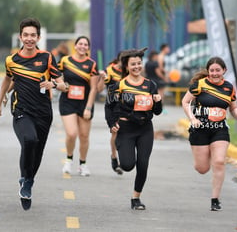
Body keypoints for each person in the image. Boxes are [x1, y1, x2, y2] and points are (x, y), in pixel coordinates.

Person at [0, 17, 68, 210]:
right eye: (25, 35)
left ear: (38, 37)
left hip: (43, 113)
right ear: (20, 37)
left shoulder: (47, 58)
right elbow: (8, 81)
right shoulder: (12, 60)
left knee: (37, 151)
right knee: (29, 140)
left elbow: (64, 85)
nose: (29, 38)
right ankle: (26, 182)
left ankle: (28, 180)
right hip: (21, 110)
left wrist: (53, 84)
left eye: (33, 35)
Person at [181, 56, 237, 211]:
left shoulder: (229, 87)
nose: (215, 73)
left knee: (218, 162)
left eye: (218, 70)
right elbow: (185, 102)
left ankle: (215, 199)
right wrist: (192, 118)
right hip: (200, 129)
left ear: (224, 70)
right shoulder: (200, 85)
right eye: (212, 70)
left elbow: (232, 107)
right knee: (202, 168)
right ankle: (206, 153)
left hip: (220, 129)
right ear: (208, 71)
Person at [105, 48, 162, 210]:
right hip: (126, 129)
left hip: (145, 128)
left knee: (143, 164)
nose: (137, 66)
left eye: (139, 63)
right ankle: (119, 153)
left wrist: (158, 101)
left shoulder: (151, 85)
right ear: (127, 66)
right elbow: (109, 106)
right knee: (128, 165)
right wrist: (112, 124)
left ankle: (136, 198)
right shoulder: (119, 86)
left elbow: (156, 111)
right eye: (133, 64)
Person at [59, 36, 100, 176]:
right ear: (75, 46)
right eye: (80, 44)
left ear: (88, 48)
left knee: (84, 136)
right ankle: (69, 159)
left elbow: (94, 88)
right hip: (67, 102)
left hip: (85, 103)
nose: (83, 46)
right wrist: (60, 86)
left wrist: (88, 107)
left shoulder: (92, 64)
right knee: (71, 133)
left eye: (86, 44)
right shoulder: (65, 61)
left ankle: (83, 164)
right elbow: (57, 78)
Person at [97, 52, 123, 175]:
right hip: (112, 107)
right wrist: (102, 78)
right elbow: (100, 89)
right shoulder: (110, 70)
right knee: (115, 132)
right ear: (119, 60)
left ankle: (124, 156)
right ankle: (114, 157)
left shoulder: (130, 71)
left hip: (126, 107)